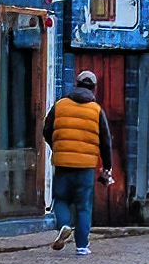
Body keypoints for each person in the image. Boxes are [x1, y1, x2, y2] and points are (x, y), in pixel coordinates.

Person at [42, 68, 113, 252]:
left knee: (61, 199)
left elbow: (47, 130)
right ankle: (82, 246)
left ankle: (64, 225)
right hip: (85, 167)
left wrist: (58, 147)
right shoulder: (96, 110)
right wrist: (107, 167)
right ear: (94, 89)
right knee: (83, 206)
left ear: (76, 84)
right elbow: (105, 141)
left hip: (63, 163)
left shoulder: (60, 105)